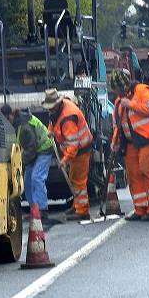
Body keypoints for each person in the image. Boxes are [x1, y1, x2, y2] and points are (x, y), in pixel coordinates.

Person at [109, 69, 149, 221]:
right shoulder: (118, 102)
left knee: (147, 170)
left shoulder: (142, 91)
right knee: (133, 174)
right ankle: (140, 208)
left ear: (125, 86)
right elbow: (118, 125)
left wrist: (131, 104)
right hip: (131, 142)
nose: (118, 93)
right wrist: (115, 142)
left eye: (119, 90)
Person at [42, 88, 93, 221]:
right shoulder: (58, 109)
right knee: (74, 178)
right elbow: (53, 121)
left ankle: (82, 211)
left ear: (57, 104)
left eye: (51, 107)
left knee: (78, 181)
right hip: (75, 151)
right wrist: (50, 130)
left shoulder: (68, 118)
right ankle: (77, 206)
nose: (50, 110)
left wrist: (64, 160)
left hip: (80, 151)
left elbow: (73, 145)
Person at [0, 104, 55, 220]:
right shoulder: (16, 123)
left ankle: (42, 209)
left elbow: (31, 148)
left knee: (37, 177)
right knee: (27, 182)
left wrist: (20, 162)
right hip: (34, 152)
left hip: (44, 149)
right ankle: (34, 210)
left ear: (11, 115)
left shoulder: (24, 126)